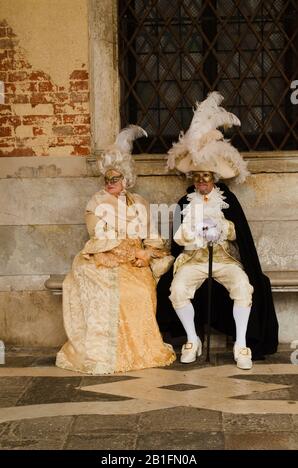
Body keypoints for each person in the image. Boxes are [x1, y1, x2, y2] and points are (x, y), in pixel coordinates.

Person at [156, 92, 278, 369]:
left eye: (206, 177)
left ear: (214, 179)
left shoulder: (228, 201)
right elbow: (177, 238)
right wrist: (193, 232)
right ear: (193, 179)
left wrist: (220, 227)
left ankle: (242, 344)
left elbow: (238, 233)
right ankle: (191, 339)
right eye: (197, 178)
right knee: (177, 290)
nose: (202, 182)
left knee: (244, 288)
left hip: (223, 258)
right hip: (193, 259)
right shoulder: (184, 203)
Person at [56, 125, 176, 374]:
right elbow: (98, 237)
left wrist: (147, 253)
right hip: (105, 259)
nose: (110, 183)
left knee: (142, 291)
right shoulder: (97, 202)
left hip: (136, 261)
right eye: (106, 179)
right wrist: (125, 252)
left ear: (126, 179)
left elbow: (152, 237)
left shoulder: (140, 203)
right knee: (114, 293)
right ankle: (109, 353)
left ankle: (142, 349)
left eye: (115, 178)